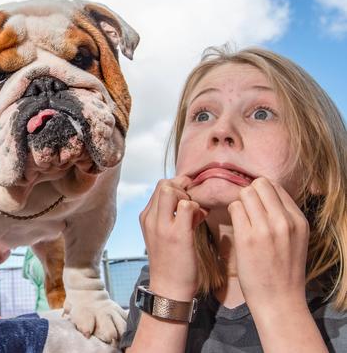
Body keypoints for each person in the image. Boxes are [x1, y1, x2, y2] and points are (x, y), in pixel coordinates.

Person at [121, 46, 347, 352]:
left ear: (318, 170)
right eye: (202, 115)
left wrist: (279, 304)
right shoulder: (158, 275)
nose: (221, 130)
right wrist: (168, 291)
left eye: (261, 113)